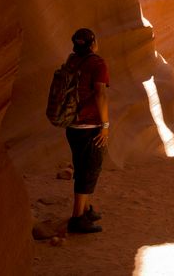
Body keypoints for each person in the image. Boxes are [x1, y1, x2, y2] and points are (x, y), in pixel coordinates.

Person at [64, 28, 110, 233]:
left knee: (84, 167)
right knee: (88, 169)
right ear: (92, 43)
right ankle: (77, 218)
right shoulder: (97, 63)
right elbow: (100, 94)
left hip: (71, 124)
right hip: (89, 126)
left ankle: (85, 209)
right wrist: (105, 125)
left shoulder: (72, 60)